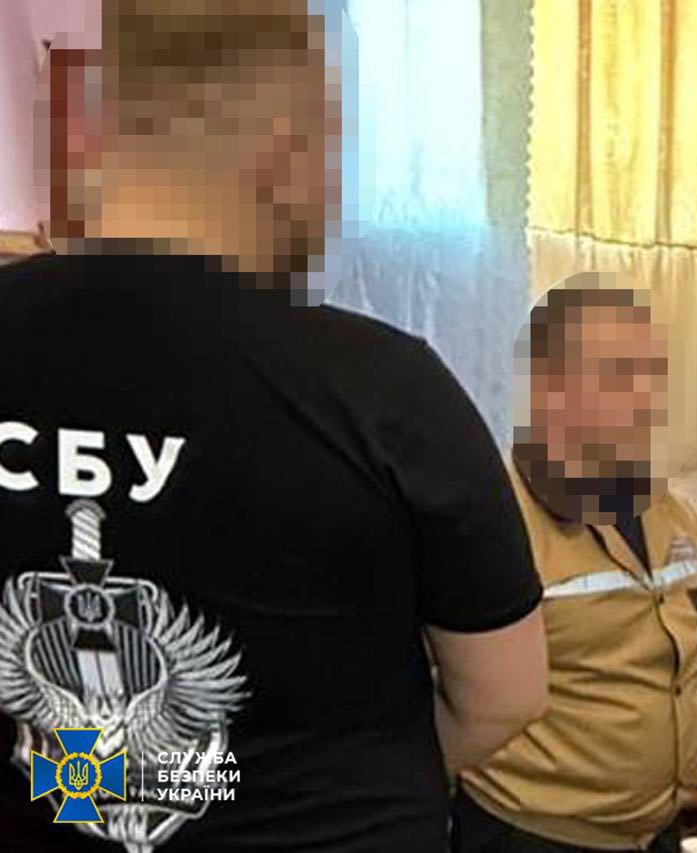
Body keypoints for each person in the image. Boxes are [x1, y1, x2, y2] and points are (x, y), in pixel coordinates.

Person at [0, 3, 547, 851]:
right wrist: (321, 783)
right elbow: (505, 695)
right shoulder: (386, 388)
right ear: (285, 148)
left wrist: (102, 783)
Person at [450, 274, 697, 853]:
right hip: (535, 837)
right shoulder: (494, 523)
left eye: (651, 375)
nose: (644, 398)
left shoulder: (672, 513)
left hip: (657, 828)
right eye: (618, 374)